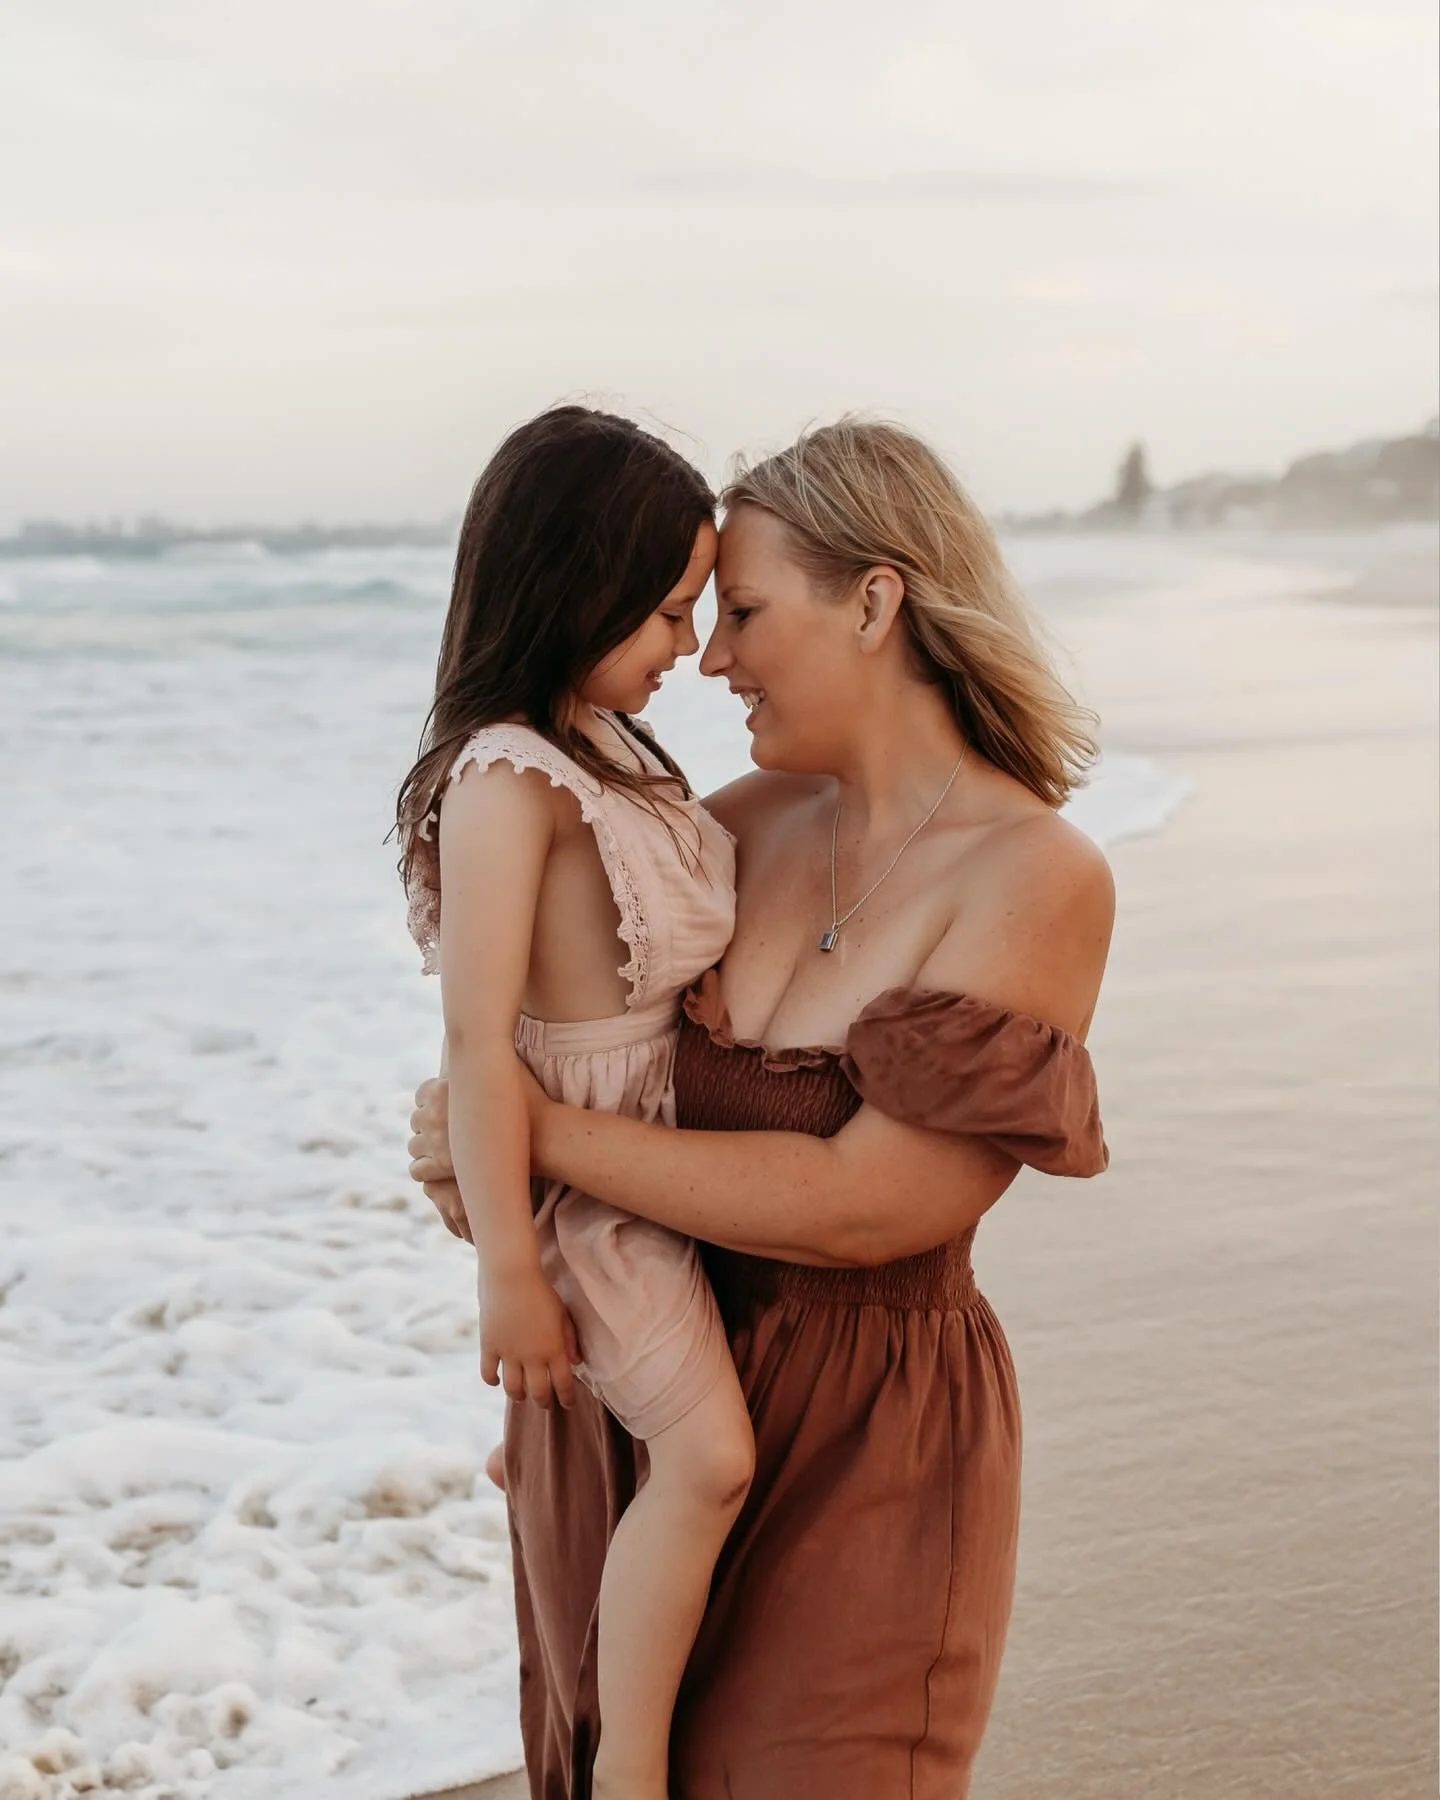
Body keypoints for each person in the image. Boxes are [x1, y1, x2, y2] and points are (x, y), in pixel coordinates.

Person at [410, 418, 1115, 1799]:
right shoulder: (722, 831)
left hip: (867, 1448)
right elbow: (534, 1040)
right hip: (635, 1394)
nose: (709, 657)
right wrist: (471, 1157)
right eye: (697, 614)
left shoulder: (1037, 875)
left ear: (875, 601)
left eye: (738, 610)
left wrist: (531, 1137)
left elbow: (868, 1207)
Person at [396, 406, 753, 1800]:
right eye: (667, 613)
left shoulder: (620, 752)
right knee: (713, 1458)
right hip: (589, 1195)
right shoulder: (509, 778)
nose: (689, 648)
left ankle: (543, 1459)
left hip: (665, 1145)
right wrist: (507, 1270)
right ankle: (634, 1764)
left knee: (678, 1431)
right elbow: (479, 1043)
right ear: (574, 583)